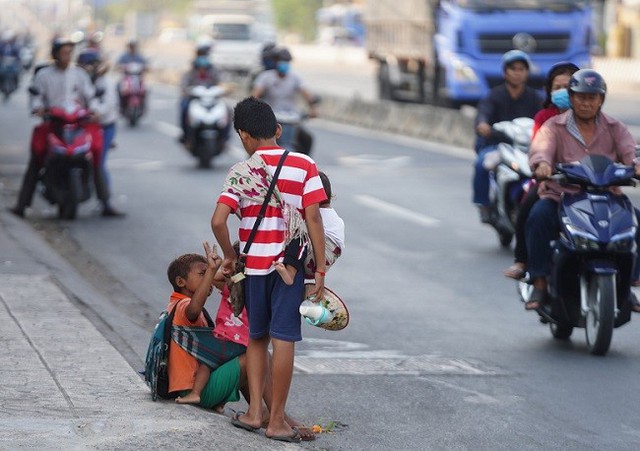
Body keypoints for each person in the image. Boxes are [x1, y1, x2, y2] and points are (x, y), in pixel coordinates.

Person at [211, 97, 326, 442]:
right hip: (289, 269)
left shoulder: (240, 172)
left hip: (254, 269)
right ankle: (277, 421)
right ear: (277, 130)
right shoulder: (304, 165)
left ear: (243, 135)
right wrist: (319, 268)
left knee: (256, 338)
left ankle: (254, 413)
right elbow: (314, 217)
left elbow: (218, 221)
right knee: (285, 338)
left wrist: (231, 255)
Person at [166, 241, 317, 441]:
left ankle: (262, 413)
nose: (208, 279)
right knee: (256, 356)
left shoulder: (186, 299)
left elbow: (227, 281)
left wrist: (237, 270)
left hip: (201, 384)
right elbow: (197, 305)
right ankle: (276, 417)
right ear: (181, 282)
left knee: (255, 354)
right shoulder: (183, 305)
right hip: (196, 389)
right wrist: (214, 269)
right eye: (201, 275)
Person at [524, 69, 640, 310]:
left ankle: (629, 283)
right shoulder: (553, 126)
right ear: (571, 97)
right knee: (537, 218)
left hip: (607, 197)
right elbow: (541, 149)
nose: (586, 103)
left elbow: (630, 150)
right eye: (580, 96)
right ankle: (539, 281)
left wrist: (636, 165)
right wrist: (543, 164)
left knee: (637, 223)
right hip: (562, 196)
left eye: (592, 97)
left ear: (601, 99)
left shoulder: (614, 126)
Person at [9, 37, 105, 218]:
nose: (68, 56)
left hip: (77, 124)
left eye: (70, 52)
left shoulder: (79, 74)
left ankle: (105, 201)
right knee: (37, 156)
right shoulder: (44, 75)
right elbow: (36, 97)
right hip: (53, 124)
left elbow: (91, 97)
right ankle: (22, 204)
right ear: (55, 54)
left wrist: (95, 110)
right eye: (64, 52)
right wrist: (38, 109)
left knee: (95, 154)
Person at [503, 61, 579, 279]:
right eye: (557, 87)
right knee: (529, 209)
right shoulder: (545, 118)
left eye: (568, 86)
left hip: (589, 182)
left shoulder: (598, 120)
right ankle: (523, 261)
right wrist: (544, 166)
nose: (562, 92)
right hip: (554, 180)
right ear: (549, 90)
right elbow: (538, 149)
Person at [472, 49, 543, 224]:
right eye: (513, 69)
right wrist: (483, 126)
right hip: (498, 146)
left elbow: (545, 117)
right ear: (505, 72)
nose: (517, 73)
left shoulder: (534, 97)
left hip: (527, 147)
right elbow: (483, 114)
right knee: (482, 164)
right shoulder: (494, 95)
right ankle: (484, 205)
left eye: (521, 69)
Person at [76, 49, 125, 217]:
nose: (88, 69)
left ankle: (105, 202)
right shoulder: (79, 81)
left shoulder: (106, 83)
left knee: (99, 163)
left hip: (103, 127)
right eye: (85, 65)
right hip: (82, 126)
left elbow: (107, 106)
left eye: (91, 65)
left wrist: (95, 114)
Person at [274, 171, 345, 285]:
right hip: (326, 259)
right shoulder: (336, 217)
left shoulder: (316, 215)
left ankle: (290, 273)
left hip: (317, 257)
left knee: (299, 233)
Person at [251, 47, 319, 151]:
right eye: (281, 61)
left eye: (287, 62)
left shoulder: (295, 78)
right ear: (276, 62)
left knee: (307, 139)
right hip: (271, 118)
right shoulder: (266, 77)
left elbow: (307, 94)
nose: (284, 64)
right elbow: (255, 95)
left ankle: (303, 165)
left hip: (291, 118)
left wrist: (312, 108)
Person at [178, 52, 222, 144]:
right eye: (200, 68)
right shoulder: (189, 75)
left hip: (210, 100)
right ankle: (186, 135)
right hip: (193, 100)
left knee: (226, 110)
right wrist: (186, 92)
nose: (202, 70)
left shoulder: (213, 75)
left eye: (205, 68)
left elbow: (220, 85)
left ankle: (224, 138)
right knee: (184, 107)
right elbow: (183, 87)